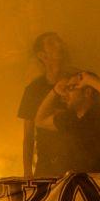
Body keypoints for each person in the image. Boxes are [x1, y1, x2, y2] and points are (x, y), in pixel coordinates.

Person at [34, 71, 100, 173]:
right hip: (74, 185)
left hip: (99, 186)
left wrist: (88, 79)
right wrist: (54, 91)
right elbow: (40, 120)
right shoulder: (68, 118)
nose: (65, 94)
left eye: (70, 88)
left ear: (87, 92)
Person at [17, 32, 70, 177]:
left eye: (59, 41)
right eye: (52, 43)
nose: (59, 45)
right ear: (42, 55)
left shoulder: (76, 81)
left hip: (76, 161)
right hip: (46, 164)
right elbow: (28, 136)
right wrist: (27, 173)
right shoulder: (33, 90)